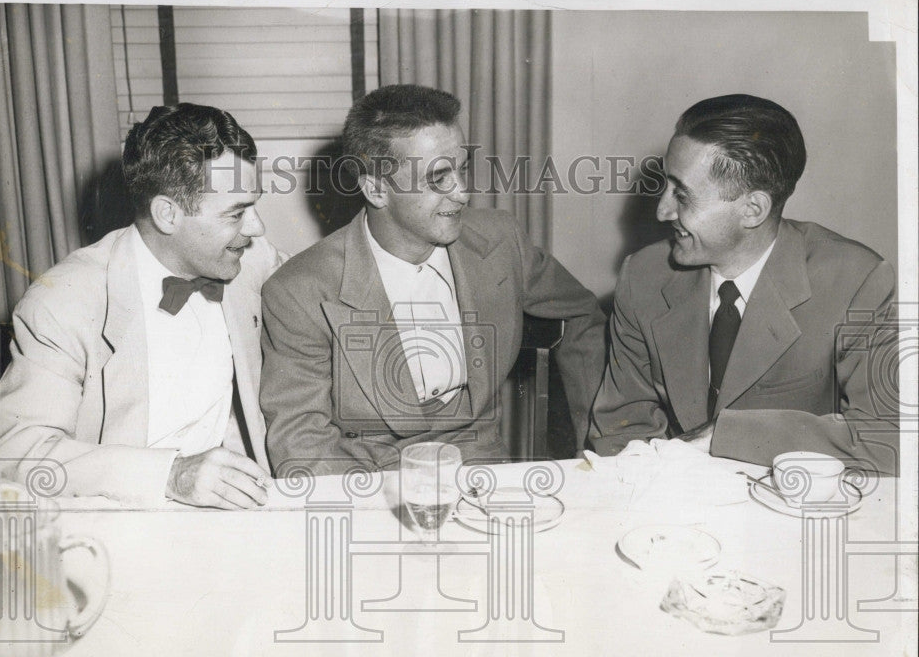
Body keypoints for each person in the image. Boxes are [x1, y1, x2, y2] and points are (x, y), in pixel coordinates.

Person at [260, 84, 606, 477]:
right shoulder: (299, 291)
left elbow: (582, 314)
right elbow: (300, 445)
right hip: (372, 485)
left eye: (461, 169)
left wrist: (598, 440)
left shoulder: (500, 240)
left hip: (483, 470)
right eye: (439, 177)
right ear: (376, 188)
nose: (462, 193)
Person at [0, 103, 285, 508]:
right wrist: (171, 475)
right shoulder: (64, 301)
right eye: (236, 213)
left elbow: (323, 290)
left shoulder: (253, 260)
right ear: (167, 214)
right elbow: (11, 452)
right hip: (120, 515)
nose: (257, 227)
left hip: (235, 510)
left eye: (254, 204)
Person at [590, 94, 898, 473]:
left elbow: (887, 440)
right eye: (665, 186)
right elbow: (620, 427)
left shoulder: (856, 281)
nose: (662, 210)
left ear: (753, 209)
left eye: (682, 195)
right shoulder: (645, 275)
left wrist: (725, 435)